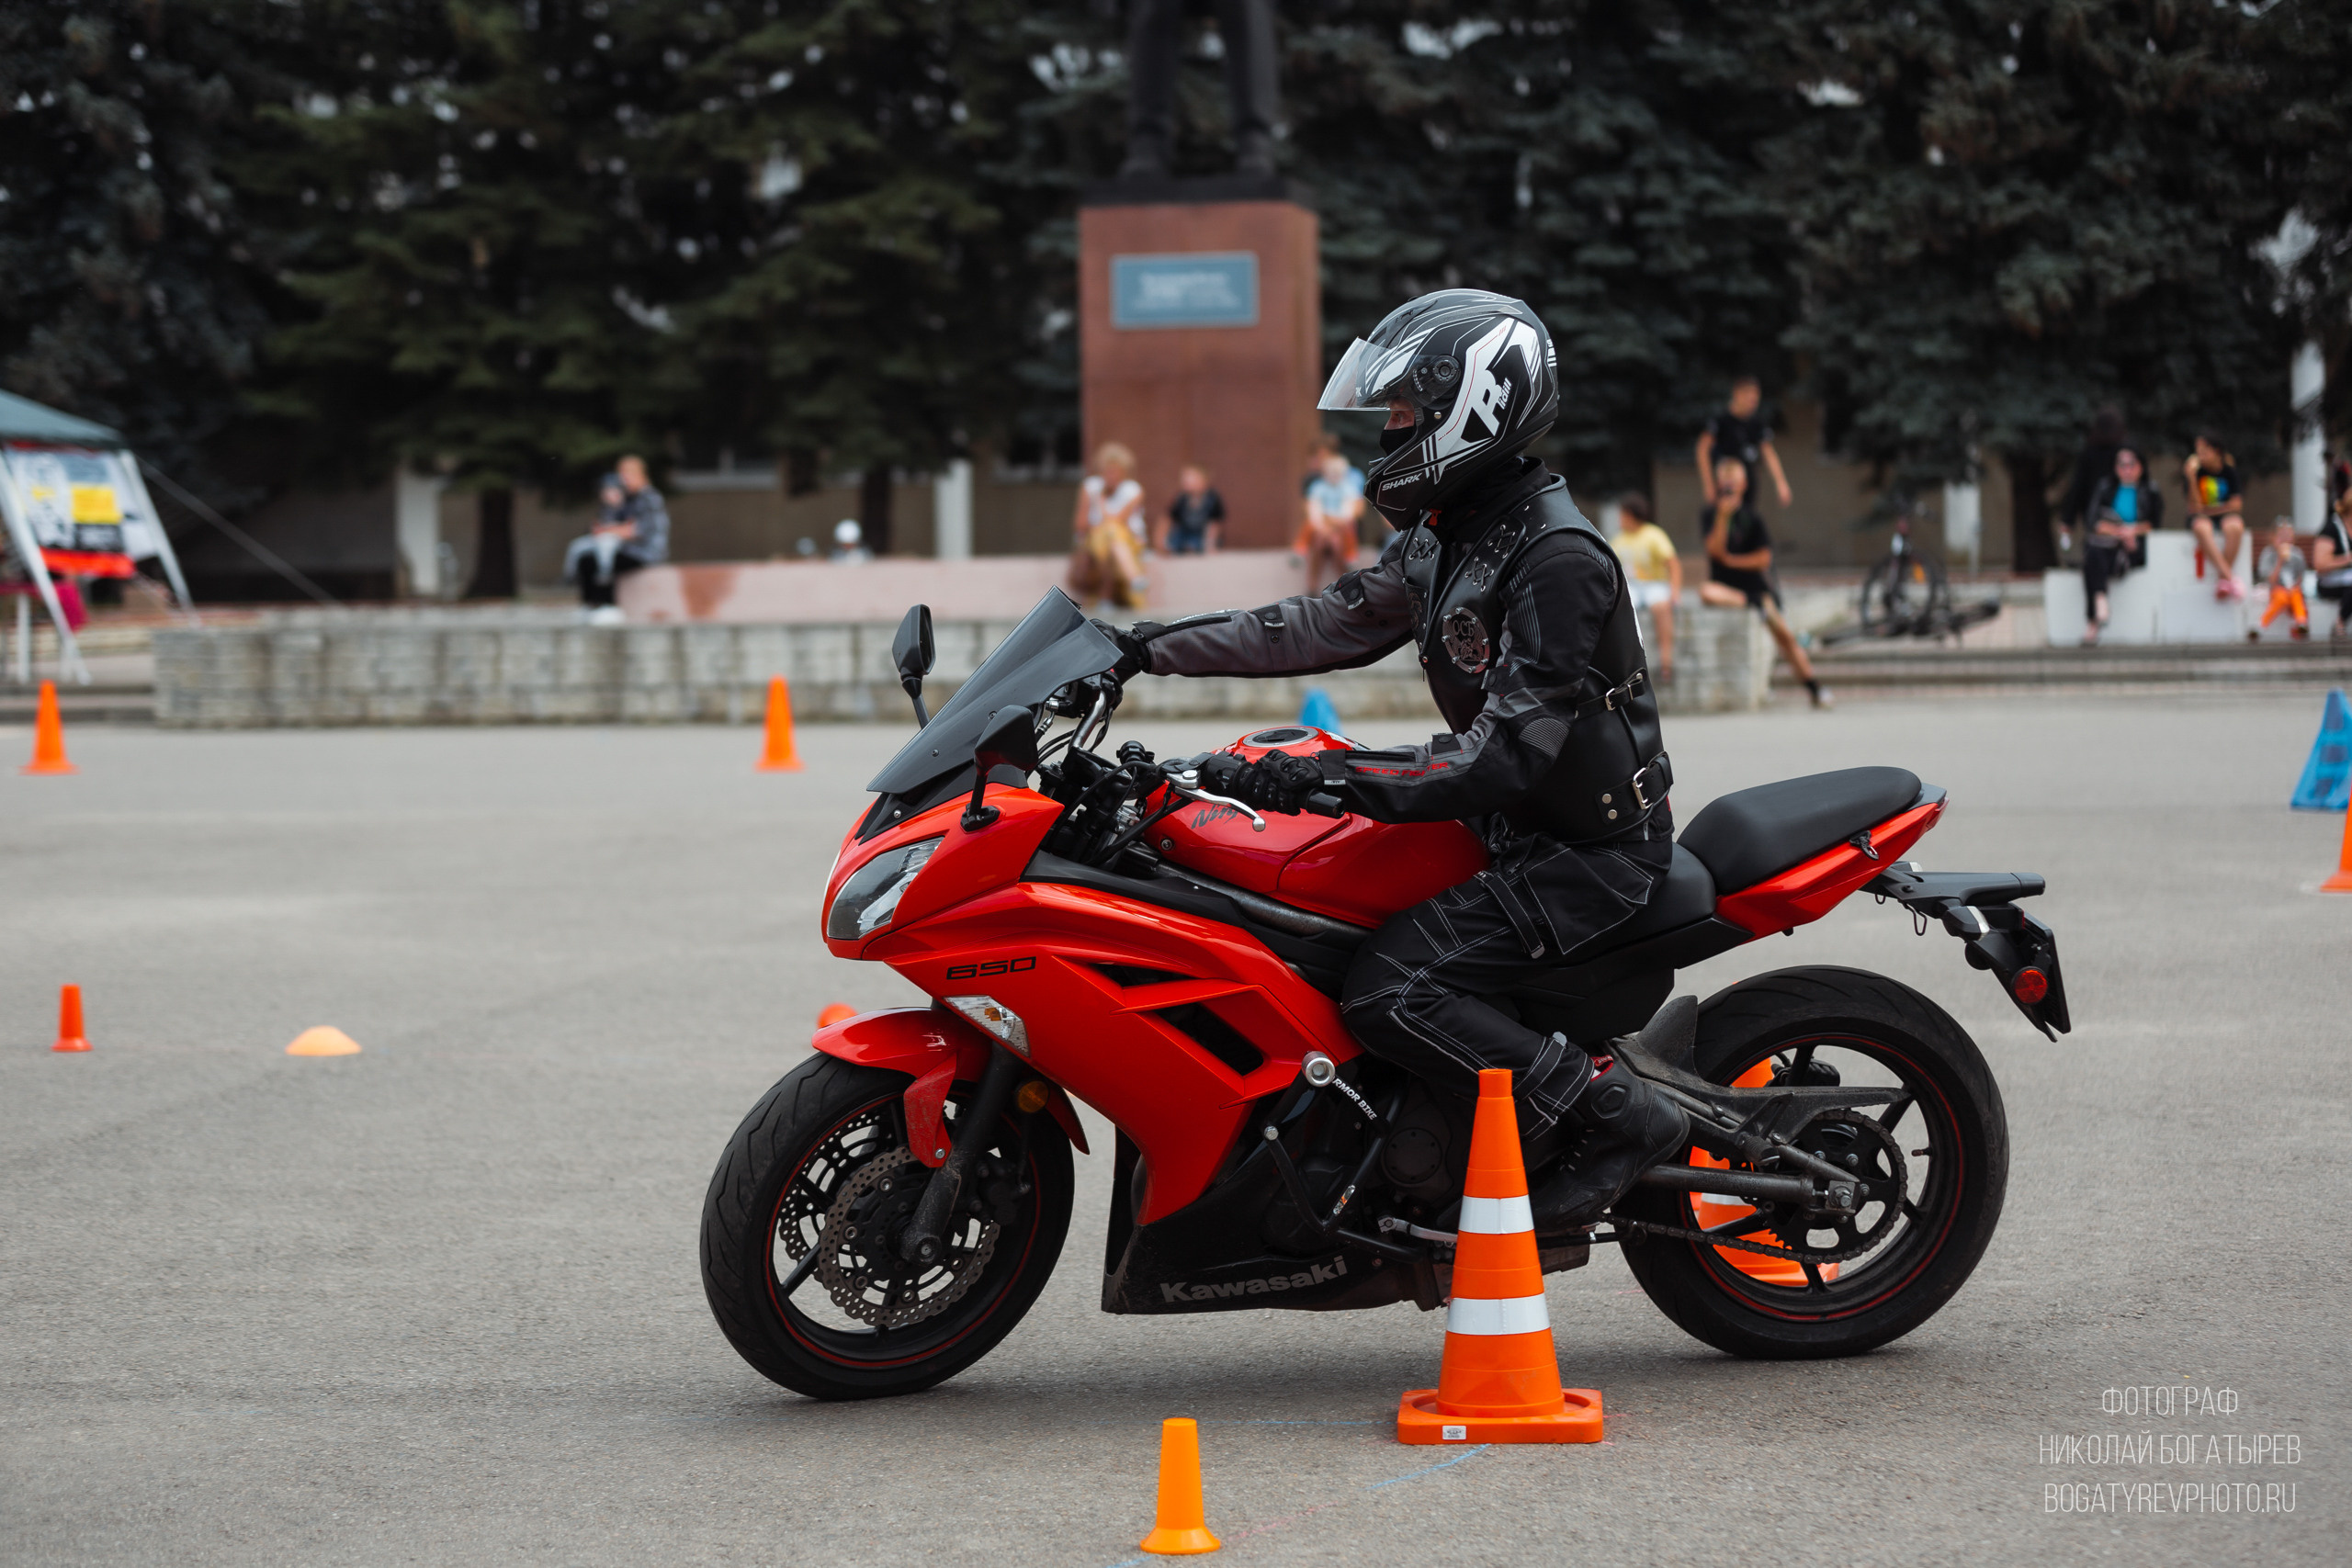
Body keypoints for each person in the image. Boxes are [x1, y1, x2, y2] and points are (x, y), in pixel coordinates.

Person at [1102, 289, 1688, 1235]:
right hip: (1513, 830)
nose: (1391, 432)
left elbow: (1505, 756)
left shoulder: (1556, 557)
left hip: (1586, 857)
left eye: (1409, 412)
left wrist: (1327, 778)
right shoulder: (1449, 532)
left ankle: (1614, 1115)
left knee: (1389, 986)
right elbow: (1318, 623)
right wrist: (1139, 648)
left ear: (1476, 408)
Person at [1696, 457, 1831, 706]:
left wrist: (1731, 560)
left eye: (1734, 482)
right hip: (1726, 589)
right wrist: (1723, 518)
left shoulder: (1752, 517)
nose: (1729, 487)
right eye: (1725, 482)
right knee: (1706, 591)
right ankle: (1751, 603)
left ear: (1744, 485)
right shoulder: (1711, 515)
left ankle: (1814, 687)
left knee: (1786, 637)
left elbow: (1763, 559)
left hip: (1756, 588)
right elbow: (1714, 551)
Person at [562, 454, 669, 624]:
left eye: (625, 475)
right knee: (587, 559)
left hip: (645, 551)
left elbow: (639, 530)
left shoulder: (649, 497)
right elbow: (606, 524)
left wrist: (610, 530)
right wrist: (611, 507)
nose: (622, 480)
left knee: (607, 561)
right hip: (624, 547)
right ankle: (591, 605)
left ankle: (609, 605)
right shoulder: (625, 499)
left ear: (638, 474)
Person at [2079, 446, 2158, 645]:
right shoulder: (2106, 488)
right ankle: (2100, 599)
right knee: (2094, 555)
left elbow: (2154, 524)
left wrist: (2132, 532)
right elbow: (2092, 521)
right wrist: (2118, 533)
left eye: (2131, 464)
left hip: (2132, 549)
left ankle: (2094, 617)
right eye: (2122, 465)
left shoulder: (2150, 490)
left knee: (2093, 560)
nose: (2126, 469)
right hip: (2106, 545)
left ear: (2140, 466)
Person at [1610, 491, 1680, 683]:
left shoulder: (1653, 535)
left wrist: (1674, 592)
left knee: (1661, 606)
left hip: (1654, 584)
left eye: (1622, 514)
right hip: (1632, 586)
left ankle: (1666, 663)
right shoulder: (1619, 540)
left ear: (1630, 514)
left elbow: (1673, 563)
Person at [1068, 442, 1147, 611]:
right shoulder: (1091, 487)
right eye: (1108, 471)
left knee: (1113, 534)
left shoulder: (1133, 490)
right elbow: (1080, 524)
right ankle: (1133, 578)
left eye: (1116, 471)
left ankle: (1106, 598)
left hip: (1126, 540)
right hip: (1096, 541)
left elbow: (1120, 520)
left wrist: (1101, 505)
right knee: (1110, 534)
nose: (1111, 476)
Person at [1695, 375, 1792, 510]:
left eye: (1756, 396)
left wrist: (1781, 482)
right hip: (1726, 484)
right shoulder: (1721, 421)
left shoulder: (1757, 423)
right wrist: (1708, 483)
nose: (1753, 400)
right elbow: (1702, 449)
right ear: (1737, 394)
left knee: (1747, 519)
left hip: (1747, 485)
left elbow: (1768, 452)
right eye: (1748, 395)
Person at [2183, 432, 2247, 601]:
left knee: (2235, 526)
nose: (2200, 457)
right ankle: (2230, 578)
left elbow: (2237, 505)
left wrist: (2209, 511)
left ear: (2216, 452)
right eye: (2198, 452)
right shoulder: (2196, 473)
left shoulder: (2229, 472)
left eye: (2204, 452)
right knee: (2202, 527)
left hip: (2221, 517)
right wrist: (2191, 477)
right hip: (2204, 519)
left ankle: (2223, 580)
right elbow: (2195, 506)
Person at [2057, 406, 2129, 553]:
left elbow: (2077, 488)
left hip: (2093, 512)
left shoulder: (2089, 453)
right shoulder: (2124, 452)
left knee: (2097, 547)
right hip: (2120, 510)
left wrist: (2068, 520)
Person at [1301, 450, 1364, 592]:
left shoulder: (1348, 486)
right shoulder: (1318, 487)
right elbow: (1313, 511)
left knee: (1336, 543)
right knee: (1320, 540)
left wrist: (1333, 521)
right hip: (1322, 529)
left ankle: (1344, 578)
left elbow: (1350, 513)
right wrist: (1324, 526)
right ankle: (1314, 585)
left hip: (1341, 529)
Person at [2252, 518, 2309, 642]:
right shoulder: (2268, 554)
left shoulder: (2297, 554)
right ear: (2272, 537)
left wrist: (2293, 587)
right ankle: (2262, 624)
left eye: (2288, 536)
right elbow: (2271, 581)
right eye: (2281, 536)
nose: (2285, 540)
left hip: (2293, 590)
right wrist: (2280, 560)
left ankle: (2301, 623)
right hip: (2275, 590)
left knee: (2296, 595)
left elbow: (2300, 577)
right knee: (2281, 597)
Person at [1159, 464, 1225, 554]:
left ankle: (1192, 546)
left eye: (1192, 479)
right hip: (1184, 531)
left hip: (1202, 533)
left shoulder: (1212, 499)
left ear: (1205, 481)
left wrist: (1210, 545)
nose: (1186, 481)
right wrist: (1161, 541)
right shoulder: (1181, 499)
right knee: (1175, 542)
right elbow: (1167, 519)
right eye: (1184, 479)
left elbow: (1214, 524)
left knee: (1200, 543)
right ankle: (1183, 546)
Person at [2314, 486, 2352, 640]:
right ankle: (2340, 623)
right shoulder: (2331, 528)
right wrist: (2347, 559)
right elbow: (2320, 565)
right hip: (2329, 582)